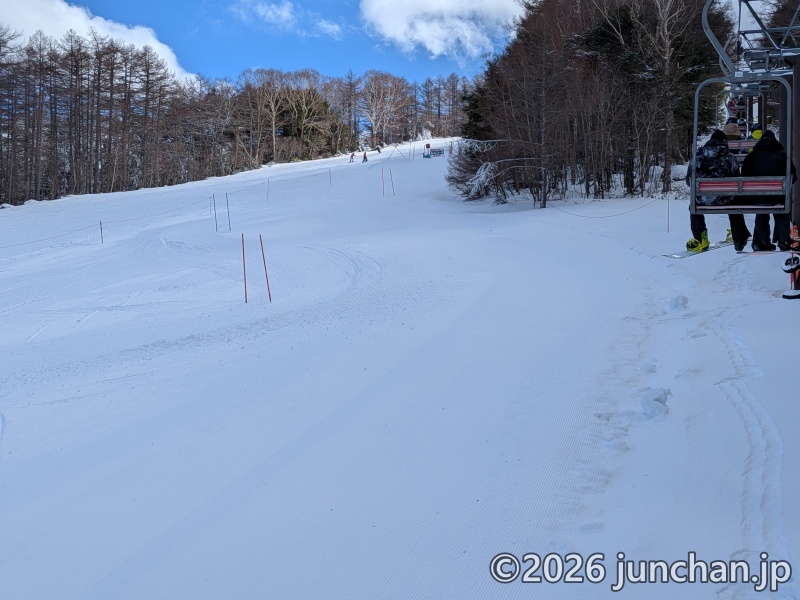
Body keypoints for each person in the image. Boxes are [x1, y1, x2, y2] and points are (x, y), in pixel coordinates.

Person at [686, 129, 751, 252]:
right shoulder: (730, 157)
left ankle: (701, 239)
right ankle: (739, 239)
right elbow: (737, 178)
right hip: (727, 199)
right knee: (736, 202)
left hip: (703, 200)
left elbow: (689, 180)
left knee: (693, 206)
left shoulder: (698, 157)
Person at [740, 129, 796, 251]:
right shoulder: (782, 155)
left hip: (756, 197)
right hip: (778, 196)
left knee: (762, 211)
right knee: (782, 210)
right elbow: (793, 176)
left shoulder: (752, 155)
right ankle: (783, 240)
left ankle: (760, 241)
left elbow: (743, 174)